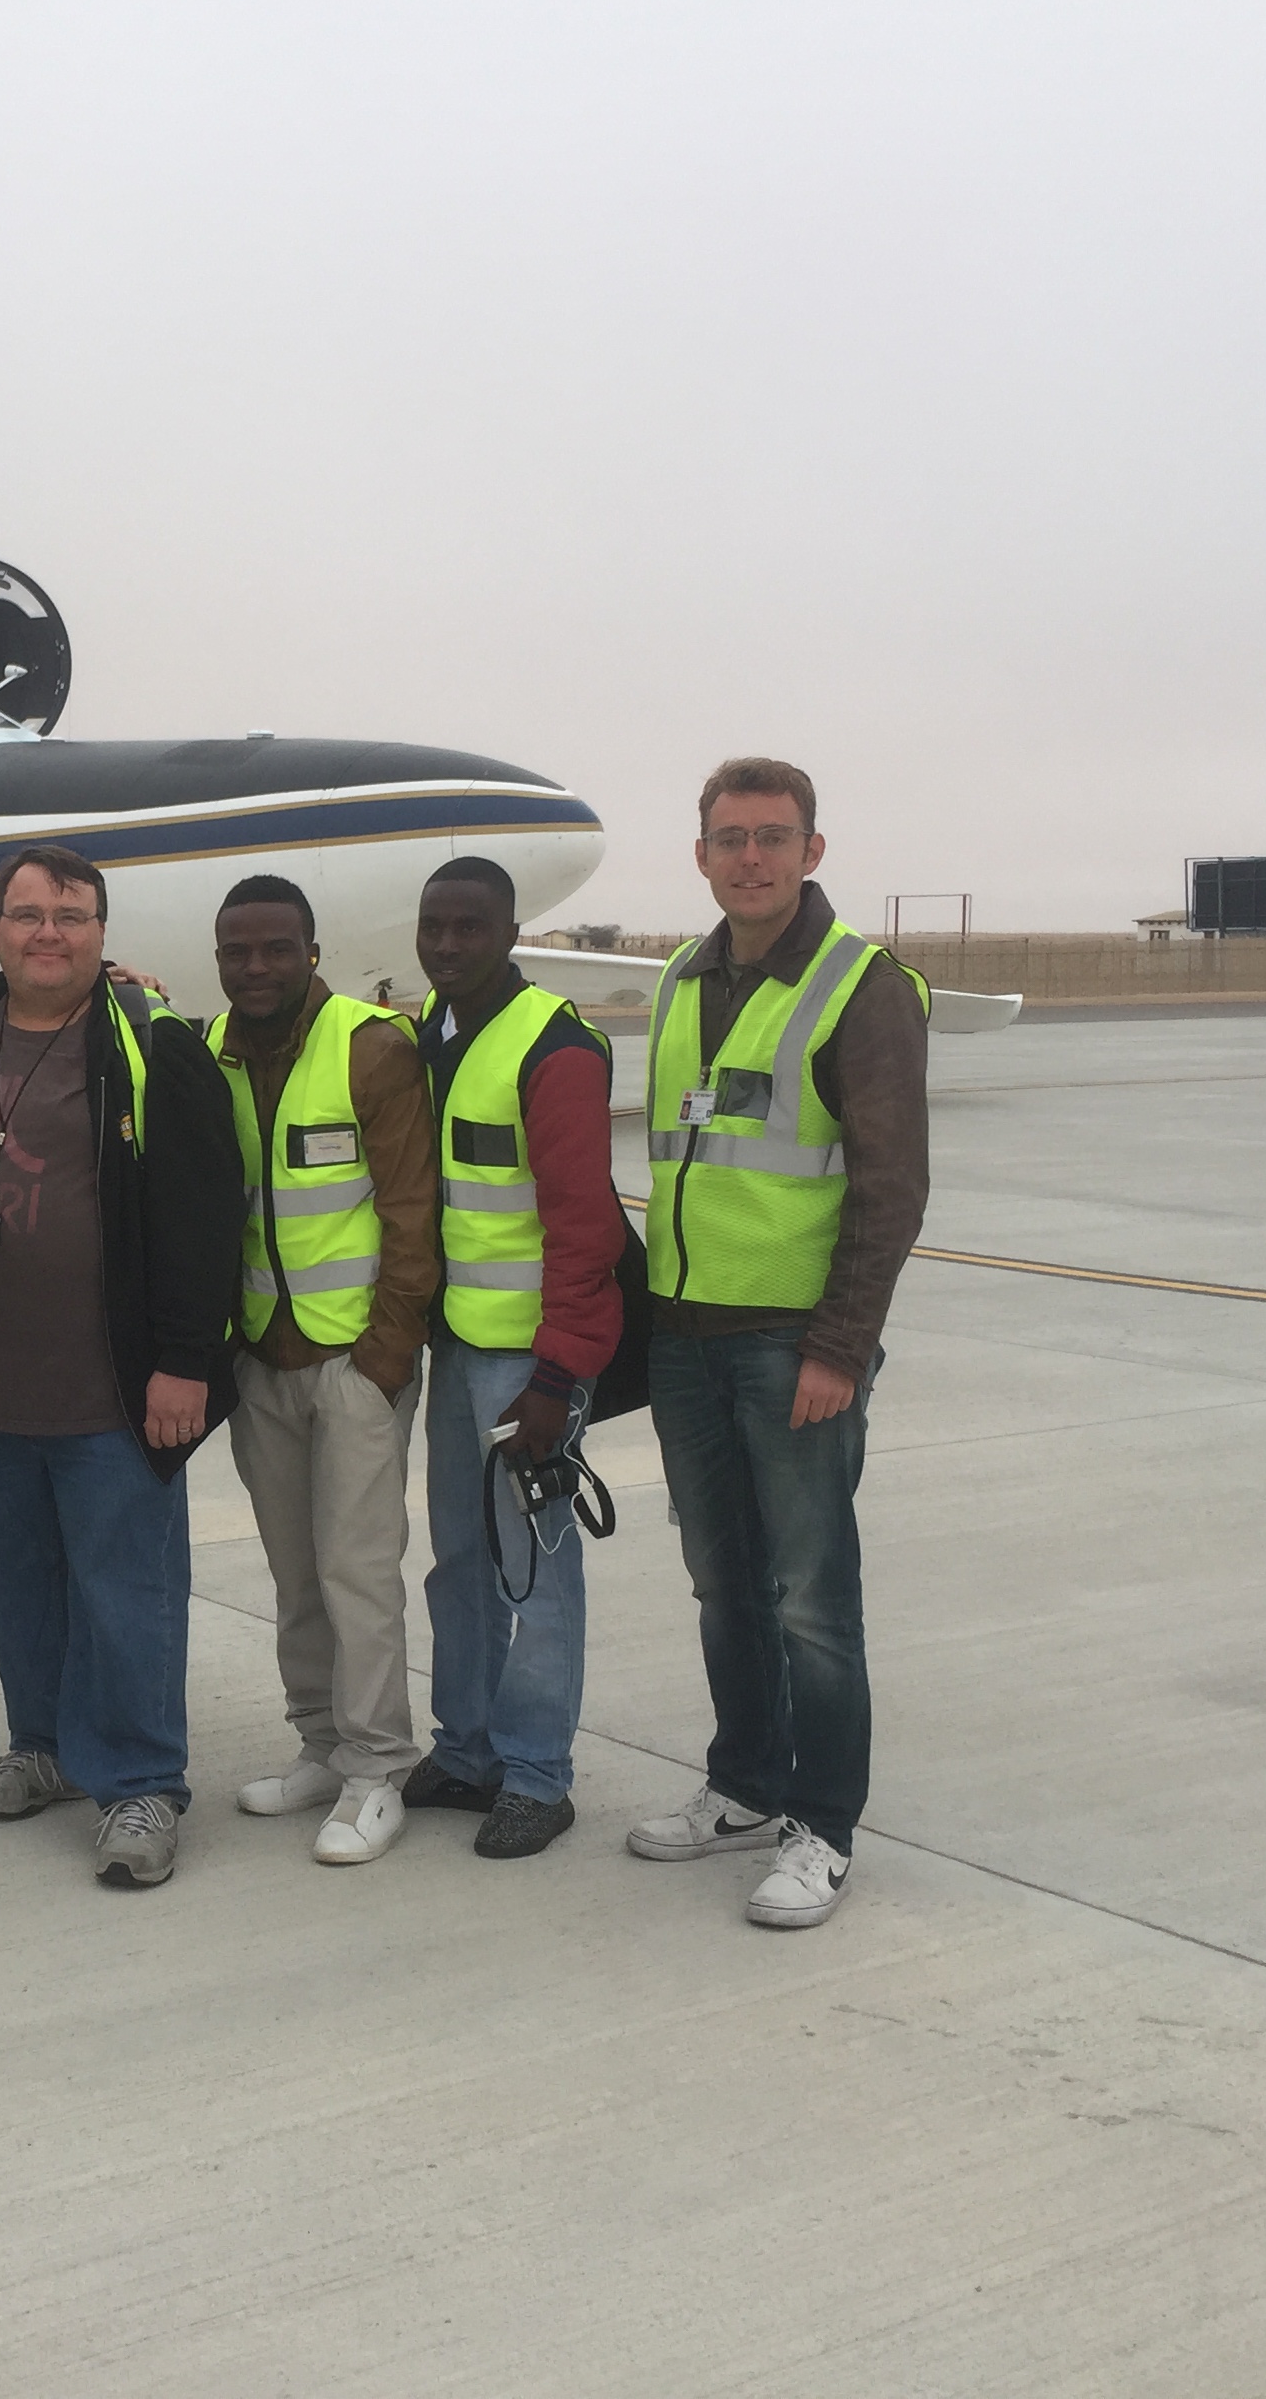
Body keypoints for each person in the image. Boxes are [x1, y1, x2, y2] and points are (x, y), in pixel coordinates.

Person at [0, 845, 244, 1890]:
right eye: (26, 914)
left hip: (108, 1385)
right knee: (12, 1580)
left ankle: (142, 1782)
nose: (45, 932)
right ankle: (43, 1743)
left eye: (69, 915)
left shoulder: (151, 1044)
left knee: (125, 1590)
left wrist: (184, 1362)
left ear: (102, 931)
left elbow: (202, 1218)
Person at [630, 759, 929, 1929]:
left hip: (794, 1344)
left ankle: (825, 1826)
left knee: (811, 1597)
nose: (749, 857)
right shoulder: (677, 978)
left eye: (772, 837)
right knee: (723, 1585)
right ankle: (746, 1783)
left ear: (812, 851)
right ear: (700, 855)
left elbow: (892, 1189)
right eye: (728, 838)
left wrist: (840, 1348)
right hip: (689, 1338)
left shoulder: (862, 986)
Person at [204, 874, 439, 1865]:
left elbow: (411, 1214)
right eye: (237, 951)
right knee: (296, 1577)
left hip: (353, 1362)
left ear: (310, 951)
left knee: (357, 1574)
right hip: (263, 1358)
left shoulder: (371, 1046)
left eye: (274, 949)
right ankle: (319, 1745)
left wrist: (382, 1360)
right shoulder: (209, 1052)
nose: (255, 967)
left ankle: (380, 1767)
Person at [398, 858, 627, 1862]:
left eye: (469, 928)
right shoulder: (426, 1040)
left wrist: (558, 1378)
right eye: (433, 928)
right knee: (459, 1566)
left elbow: (587, 1234)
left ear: (509, 930)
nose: (448, 946)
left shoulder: (555, 1051)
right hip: (456, 1354)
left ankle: (537, 1775)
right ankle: (468, 1750)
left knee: (534, 1576)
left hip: (527, 1368)